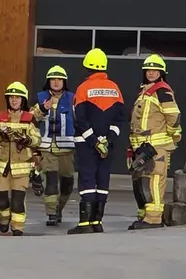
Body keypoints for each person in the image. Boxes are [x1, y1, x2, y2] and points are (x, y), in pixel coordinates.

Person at [68, 48, 125, 234]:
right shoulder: (115, 89)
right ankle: (97, 222)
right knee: (102, 179)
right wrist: (108, 141)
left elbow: (80, 119)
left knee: (87, 179)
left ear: (87, 68)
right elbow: (120, 119)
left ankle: (85, 223)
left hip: (86, 144)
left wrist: (94, 142)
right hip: (108, 145)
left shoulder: (83, 88)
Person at [128, 53, 182, 230]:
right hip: (144, 146)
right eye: (148, 70)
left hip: (156, 146)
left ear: (161, 73)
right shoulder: (145, 91)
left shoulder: (162, 90)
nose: (151, 73)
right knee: (145, 182)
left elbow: (173, 116)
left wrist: (172, 135)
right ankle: (148, 216)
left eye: (155, 70)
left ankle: (154, 219)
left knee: (155, 181)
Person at [0, 80, 41, 235]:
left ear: (23, 100)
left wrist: (27, 140)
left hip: (22, 168)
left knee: (18, 201)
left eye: (17, 97)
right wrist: (0, 134)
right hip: (2, 167)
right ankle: (4, 220)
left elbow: (37, 139)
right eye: (11, 97)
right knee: (1, 200)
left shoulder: (29, 118)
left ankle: (18, 227)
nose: (14, 100)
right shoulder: (0, 117)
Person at [32, 64, 78, 225]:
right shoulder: (40, 97)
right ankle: (51, 213)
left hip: (67, 149)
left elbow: (80, 120)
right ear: (48, 81)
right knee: (51, 182)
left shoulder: (73, 98)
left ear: (64, 82)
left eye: (59, 79)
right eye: (53, 79)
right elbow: (31, 119)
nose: (56, 82)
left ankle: (59, 209)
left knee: (67, 183)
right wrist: (42, 109)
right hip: (47, 148)